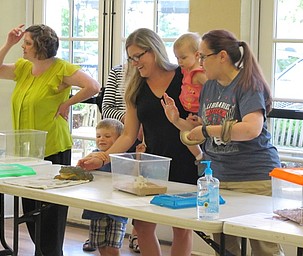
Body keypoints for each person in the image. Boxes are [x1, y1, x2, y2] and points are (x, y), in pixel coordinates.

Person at [161, 29, 285, 256]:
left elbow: (251, 129)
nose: (199, 63)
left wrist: (206, 129)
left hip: (254, 179)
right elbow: (203, 131)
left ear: (222, 56)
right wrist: (177, 121)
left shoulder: (248, 84)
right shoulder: (208, 86)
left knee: (265, 248)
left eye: (203, 56)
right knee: (225, 247)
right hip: (218, 180)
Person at [78, 27, 198, 256]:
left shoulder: (184, 77)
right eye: (131, 58)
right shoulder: (135, 88)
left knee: (182, 227)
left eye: (138, 56)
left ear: (154, 50)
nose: (135, 63)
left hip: (186, 161)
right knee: (142, 225)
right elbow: (128, 134)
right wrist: (102, 157)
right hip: (153, 164)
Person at [0, 24, 100, 256]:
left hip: (54, 148)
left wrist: (67, 104)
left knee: (50, 219)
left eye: (26, 43)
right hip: (27, 153)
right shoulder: (24, 68)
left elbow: (93, 86)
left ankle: (52, 253)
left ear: (40, 47)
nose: (22, 47)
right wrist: (8, 43)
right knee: (31, 214)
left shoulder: (61, 68)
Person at [83, 64, 141, 253]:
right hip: (123, 131)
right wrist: (130, 119)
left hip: (137, 138)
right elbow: (106, 107)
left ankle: (136, 235)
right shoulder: (117, 72)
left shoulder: (150, 75)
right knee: (101, 237)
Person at [82, 118, 128, 256]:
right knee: (99, 243)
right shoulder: (92, 156)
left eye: (107, 136)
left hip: (117, 209)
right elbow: (82, 170)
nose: (102, 139)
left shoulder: (123, 158)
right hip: (97, 208)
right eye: (98, 136)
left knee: (113, 246)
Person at [173, 32, 207, 175]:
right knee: (185, 133)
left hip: (203, 112)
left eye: (184, 57)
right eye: (177, 58)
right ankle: (200, 156)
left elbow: (212, 90)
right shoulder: (185, 71)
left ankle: (202, 157)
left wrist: (202, 115)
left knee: (196, 132)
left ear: (197, 55)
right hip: (192, 113)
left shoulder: (198, 73)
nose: (180, 61)